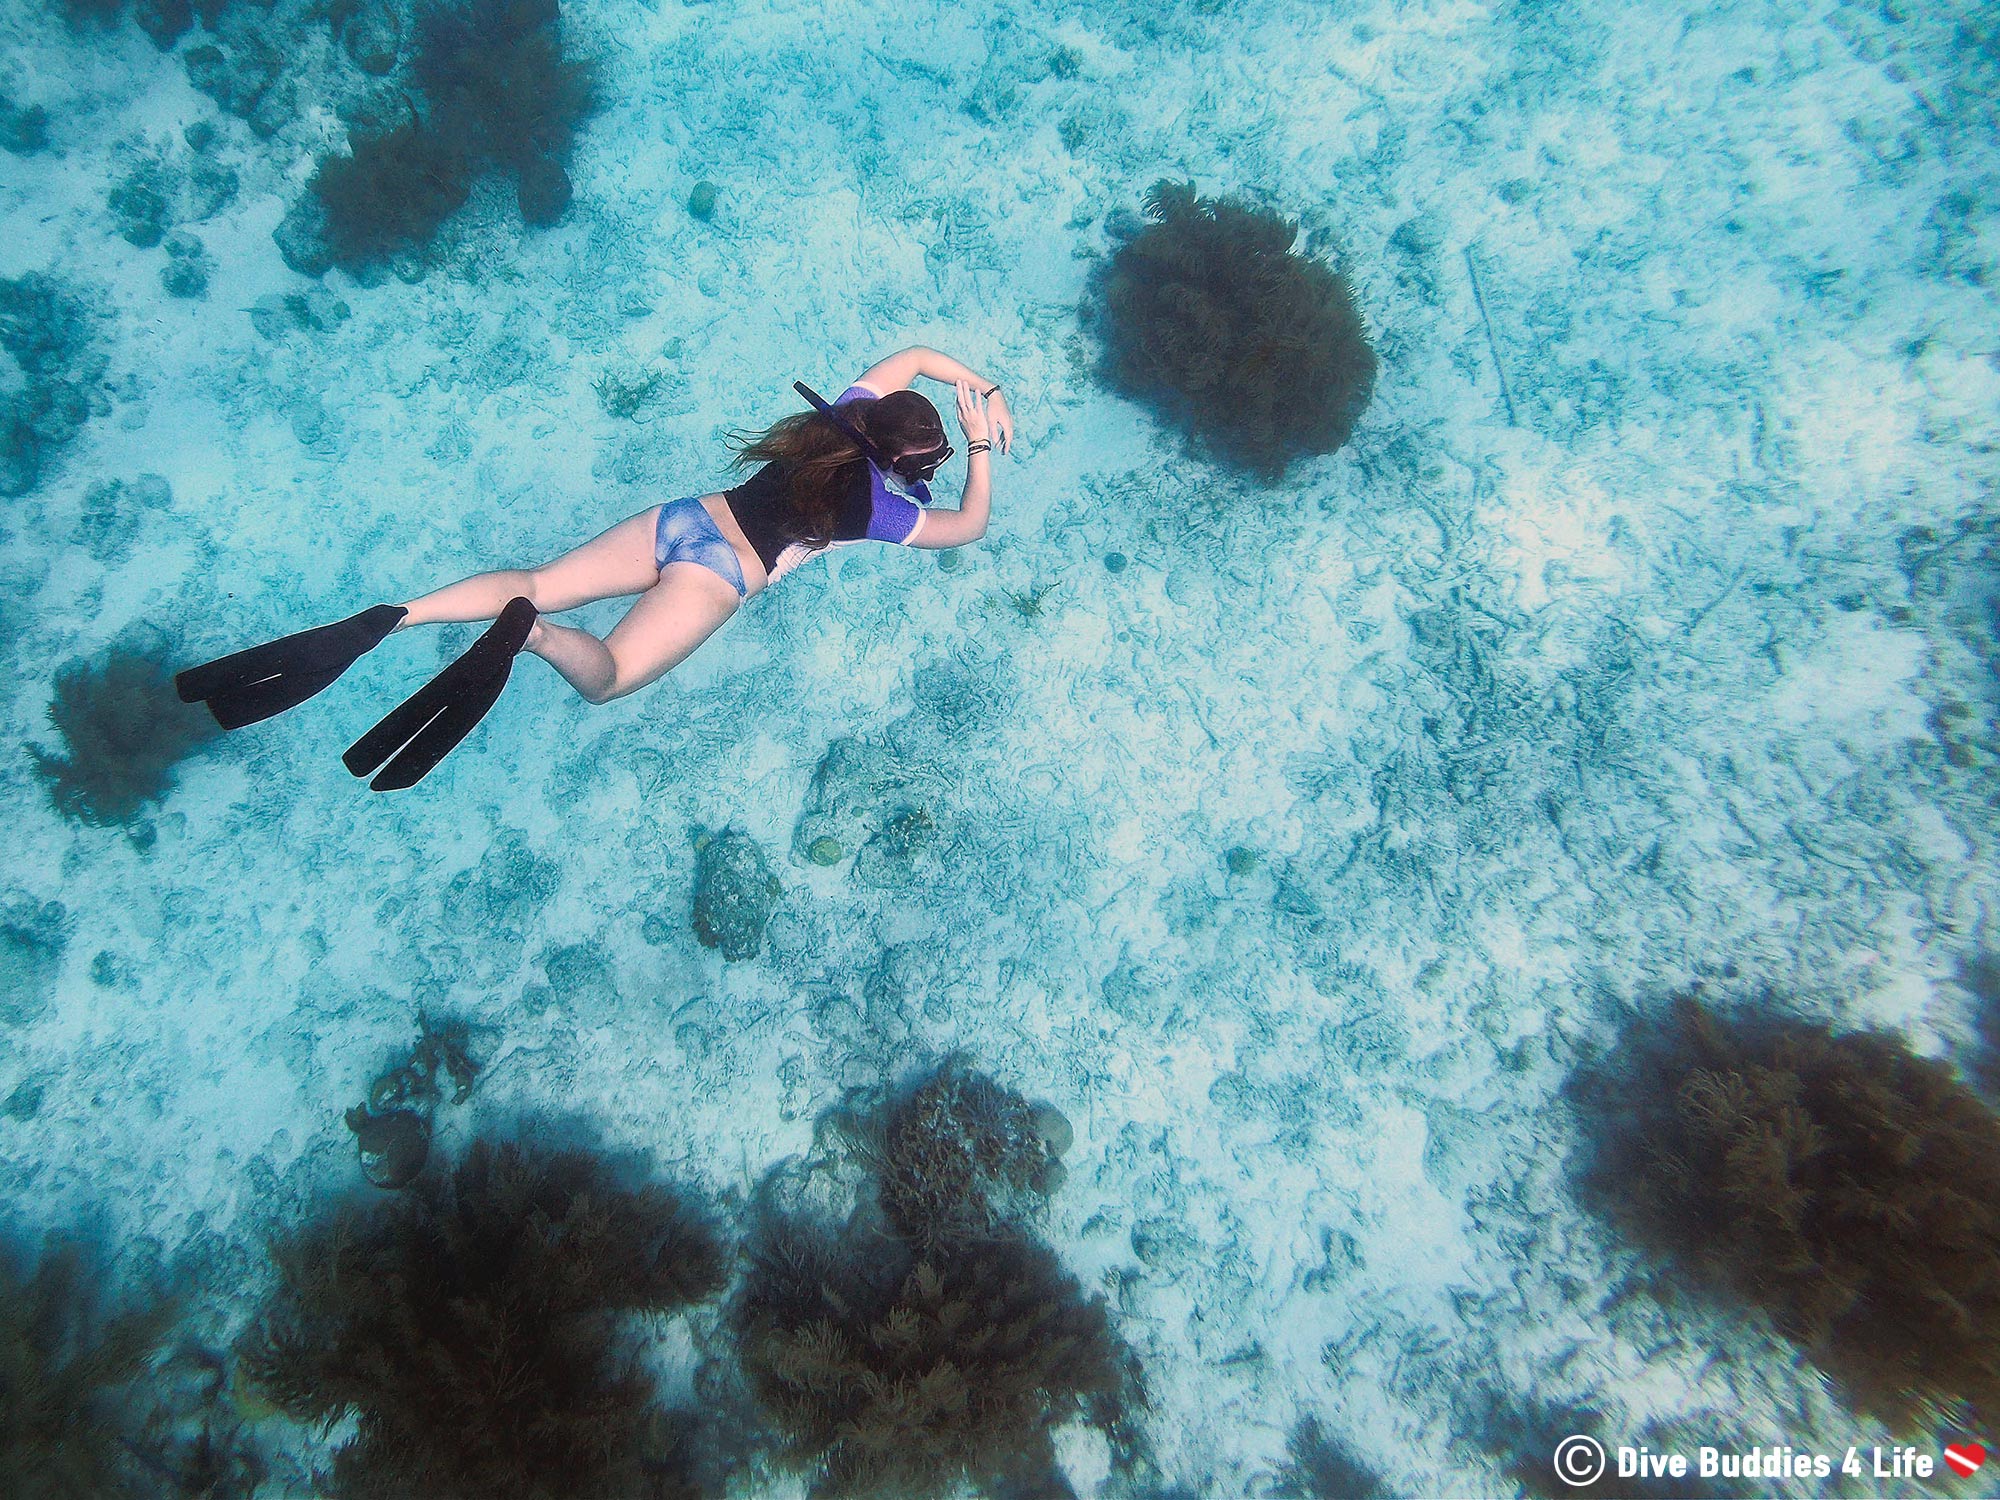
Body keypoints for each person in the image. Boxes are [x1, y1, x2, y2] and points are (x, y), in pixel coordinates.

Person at [175, 347, 1013, 790]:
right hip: (719, 574)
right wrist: (977, 446)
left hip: (688, 517)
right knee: (606, 676)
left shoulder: (845, 414)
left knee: (534, 576)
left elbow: (910, 353)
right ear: (903, 460)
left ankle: (399, 615)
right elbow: (969, 525)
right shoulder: (883, 510)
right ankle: (532, 639)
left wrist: (973, 383)